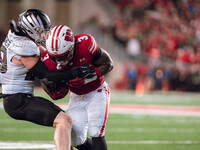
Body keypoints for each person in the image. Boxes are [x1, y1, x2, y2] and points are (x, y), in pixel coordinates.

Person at [0, 9, 93, 150]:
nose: (43, 34)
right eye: (40, 31)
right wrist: (76, 72)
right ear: (29, 29)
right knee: (63, 121)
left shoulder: (17, 38)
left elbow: (44, 54)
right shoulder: (24, 47)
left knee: (67, 124)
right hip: (17, 101)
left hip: (17, 98)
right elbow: (47, 76)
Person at [40, 25, 114, 150]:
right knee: (75, 139)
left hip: (97, 90)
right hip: (76, 96)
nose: (57, 62)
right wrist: (53, 89)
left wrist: (88, 78)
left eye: (61, 56)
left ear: (71, 48)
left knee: (96, 132)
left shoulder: (85, 44)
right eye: (54, 57)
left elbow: (108, 64)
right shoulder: (46, 59)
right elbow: (46, 80)